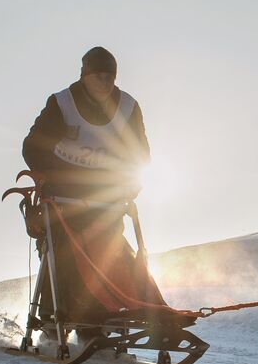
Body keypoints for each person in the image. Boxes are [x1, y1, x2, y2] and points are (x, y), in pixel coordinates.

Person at [22, 46, 168, 331]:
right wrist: (52, 176)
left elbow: (139, 154)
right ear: (84, 76)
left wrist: (129, 185)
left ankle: (128, 309)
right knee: (63, 249)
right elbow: (33, 146)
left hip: (105, 194)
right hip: (63, 192)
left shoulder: (127, 107)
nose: (105, 82)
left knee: (111, 250)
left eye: (109, 77)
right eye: (98, 76)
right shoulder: (62, 103)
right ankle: (60, 319)